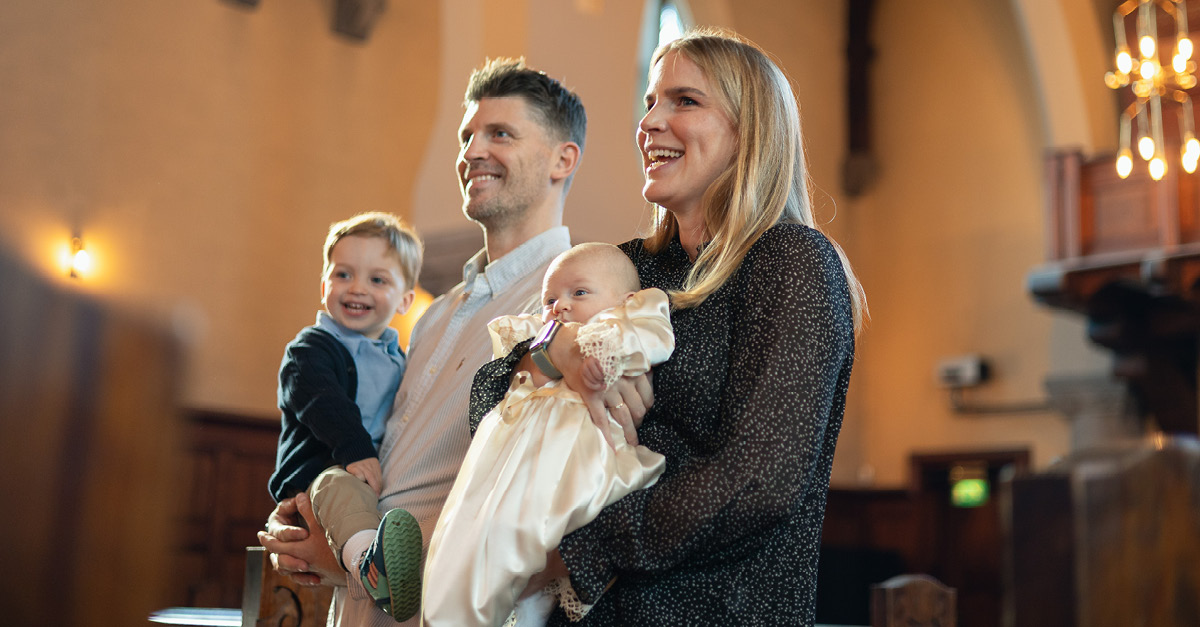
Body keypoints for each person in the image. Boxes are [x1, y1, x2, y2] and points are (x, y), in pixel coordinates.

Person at [470, 28, 868, 626]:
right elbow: (487, 397)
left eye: (684, 101)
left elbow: (759, 482)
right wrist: (560, 355)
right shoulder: (631, 264)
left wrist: (580, 549)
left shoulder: (791, 262)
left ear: (749, 129)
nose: (649, 122)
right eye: (651, 101)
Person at [259, 58, 628, 627]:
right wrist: (318, 520)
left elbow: (546, 501)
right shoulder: (434, 315)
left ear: (564, 158)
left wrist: (353, 557)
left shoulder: (574, 307)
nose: (471, 152)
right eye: (467, 136)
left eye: (500, 134)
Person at [422, 243, 674, 627]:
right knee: (466, 551)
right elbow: (497, 372)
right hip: (510, 470)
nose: (560, 306)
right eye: (550, 299)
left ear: (625, 300)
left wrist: (603, 352)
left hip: (577, 463)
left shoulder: (623, 321)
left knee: (523, 567)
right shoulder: (543, 334)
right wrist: (551, 347)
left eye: (579, 293)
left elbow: (651, 336)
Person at [267, 212, 425, 619]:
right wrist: (355, 449)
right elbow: (323, 402)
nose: (357, 288)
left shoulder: (399, 358)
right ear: (324, 286)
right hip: (319, 475)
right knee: (341, 488)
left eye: (378, 279)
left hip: (361, 480)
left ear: (405, 299)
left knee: (356, 498)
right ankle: (368, 567)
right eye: (343, 274)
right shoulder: (311, 350)